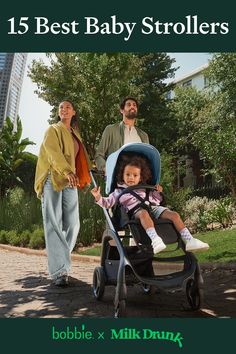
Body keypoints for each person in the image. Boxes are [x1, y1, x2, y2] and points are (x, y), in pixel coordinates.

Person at [91, 154, 209, 254]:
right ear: (122, 174)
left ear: (140, 177)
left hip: (153, 208)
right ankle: (155, 240)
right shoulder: (119, 191)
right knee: (143, 214)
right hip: (136, 212)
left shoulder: (145, 188)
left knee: (174, 215)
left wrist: (158, 192)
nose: (131, 177)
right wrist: (98, 197)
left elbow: (156, 201)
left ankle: (189, 240)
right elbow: (107, 203)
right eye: (127, 174)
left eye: (135, 175)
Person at [35, 100, 91, 286]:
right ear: (59, 113)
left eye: (67, 107)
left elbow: (81, 159)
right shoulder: (53, 129)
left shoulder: (76, 134)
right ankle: (60, 271)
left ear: (73, 112)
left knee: (73, 224)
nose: (64, 109)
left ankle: (59, 258)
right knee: (54, 223)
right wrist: (66, 171)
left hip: (71, 180)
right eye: (61, 107)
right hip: (53, 178)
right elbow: (53, 154)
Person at [95, 97, 149, 172]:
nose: (132, 106)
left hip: (140, 180)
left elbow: (148, 162)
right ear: (122, 110)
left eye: (134, 105)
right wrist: (105, 168)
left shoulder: (144, 136)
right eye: (129, 105)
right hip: (118, 179)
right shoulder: (111, 130)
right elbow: (99, 155)